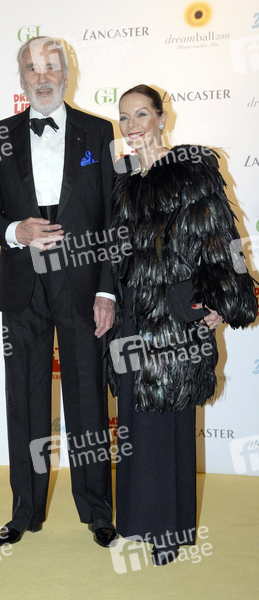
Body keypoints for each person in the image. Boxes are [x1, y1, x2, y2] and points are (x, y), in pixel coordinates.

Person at [109, 84, 257, 566]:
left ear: (161, 117)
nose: (133, 125)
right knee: (134, 415)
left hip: (176, 310)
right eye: (125, 117)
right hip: (132, 311)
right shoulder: (123, 179)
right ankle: (136, 521)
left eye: (141, 114)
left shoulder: (191, 167)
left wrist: (221, 300)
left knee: (169, 416)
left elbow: (222, 235)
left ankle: (169, 530)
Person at [0, 36, 117, 548]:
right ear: (21, 79)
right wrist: (16, 231)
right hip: (23, 282)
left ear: (66, 74)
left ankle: (98, 512)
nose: (43, 77)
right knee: (24, 399)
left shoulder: (99, 132)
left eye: (51, 67)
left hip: (83, 281)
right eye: (33, 69)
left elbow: (113, 218)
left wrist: (108, 292)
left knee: (88, 399)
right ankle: (24, 512)